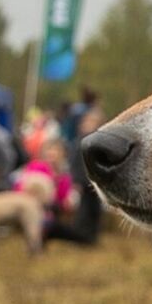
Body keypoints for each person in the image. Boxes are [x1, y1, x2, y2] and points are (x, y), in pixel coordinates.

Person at [56, 86, 106, 245]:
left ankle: (90, 237)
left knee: (94, 211)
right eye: (89, 121)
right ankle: (81, 237)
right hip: (85, 181)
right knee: (85, 212)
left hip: (93, 180)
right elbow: (74, 161)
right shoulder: (81, 140)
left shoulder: (89, 136)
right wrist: (75, 180)